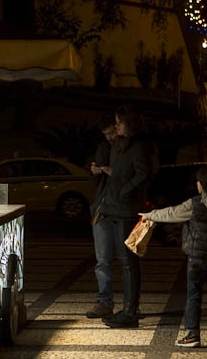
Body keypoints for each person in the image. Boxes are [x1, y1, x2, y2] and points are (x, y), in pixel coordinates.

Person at [138, 166, 207, 347]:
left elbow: (172, 213)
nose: (196, 184)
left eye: (198, 181)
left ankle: (192, 334)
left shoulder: (195, 203)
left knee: (194, 296)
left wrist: (150, 215)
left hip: (197, 257)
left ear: (203, 184)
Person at [93, 105, 154, 329]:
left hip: (126, 210)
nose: (116, 125)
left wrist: (124, 190)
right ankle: (128, 309)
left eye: (119, 122)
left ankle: (130, 311)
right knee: (125, 261)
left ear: (129, 124)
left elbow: (143, 174)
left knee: (129, 262)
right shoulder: (121, 145)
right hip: (116, 208)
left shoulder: (138, 146)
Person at [85, 113, 118, 319]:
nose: (110, 137)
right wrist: (96, 171)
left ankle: (133, 302)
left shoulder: (131, 147)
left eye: (112, 132)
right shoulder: (103, 147)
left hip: (122, 207)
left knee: (128, 259)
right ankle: (104, 300)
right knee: (103, 258)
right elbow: (95, 179)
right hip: (103, 208)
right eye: (106, 134)